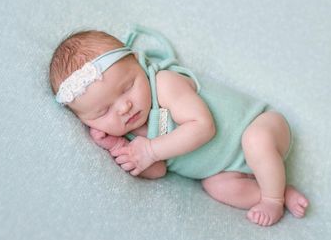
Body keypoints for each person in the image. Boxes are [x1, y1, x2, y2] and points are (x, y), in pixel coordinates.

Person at [49, 24, 309, 226]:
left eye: (128, 87)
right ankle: (279, 190)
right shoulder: (129, 136)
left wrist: (150, 150)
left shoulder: (163, 83)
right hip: (227, 169)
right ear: (86, 120)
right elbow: (159, 170)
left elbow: (203, 126)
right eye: (103, 111)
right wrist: (121, 149)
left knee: (256, 141)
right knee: (216, 187)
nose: (124, 107)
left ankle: (272, 200)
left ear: (138, 63)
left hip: (263, 125)